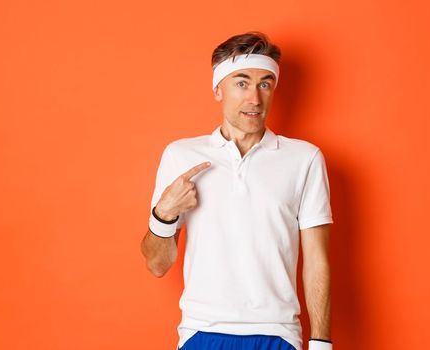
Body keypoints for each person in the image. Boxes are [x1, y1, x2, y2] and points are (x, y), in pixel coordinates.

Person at [140, 32, 333, 350]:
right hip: (202, 332)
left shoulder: (304, 158)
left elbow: (317, 260)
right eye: (241, 83)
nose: (254, 99)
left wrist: (321, 344)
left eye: (265, 84)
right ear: (218, 89)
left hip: (279, 333)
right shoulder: (181, 156)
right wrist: (164, 214)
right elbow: (157, 265)